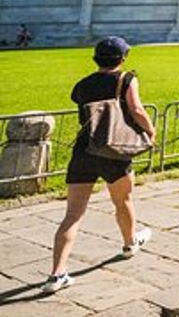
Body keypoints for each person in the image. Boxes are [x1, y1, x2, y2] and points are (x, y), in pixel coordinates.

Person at [43, 37, 157, 294]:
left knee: (73, 215)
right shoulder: (126, 78)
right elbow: (137, 109)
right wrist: (151, 131)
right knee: (123, 201)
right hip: (115, 150)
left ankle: (56, 274)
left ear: (96, 58)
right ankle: (130, 244)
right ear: (123, 58)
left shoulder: (82, 85)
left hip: (84, 150)